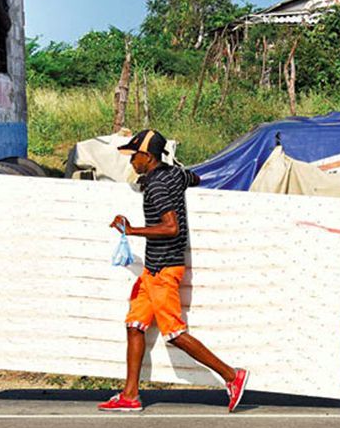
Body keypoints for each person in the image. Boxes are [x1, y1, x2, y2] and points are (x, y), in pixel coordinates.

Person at [101, 129, 249, 412]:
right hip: (153, 271)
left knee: (174, 334)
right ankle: (130, 395)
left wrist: (131, 230)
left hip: (164, 270)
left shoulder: (156, 186)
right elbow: (195, 177)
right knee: (134, 325)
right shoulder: (174, 175)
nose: (131, 162)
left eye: (134, 156)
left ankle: (232, 375)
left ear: (147, 157)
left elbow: (171, 227)